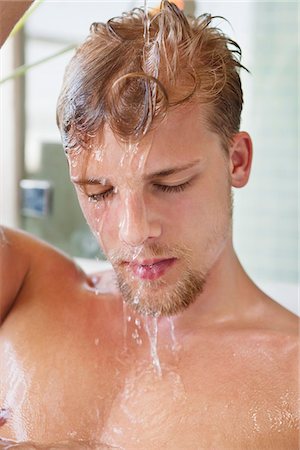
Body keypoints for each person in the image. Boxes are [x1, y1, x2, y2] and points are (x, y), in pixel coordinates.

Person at [0, 2, 298, 448]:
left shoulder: (290, 386)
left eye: (170, 183)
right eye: (99, 192)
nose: (133, 231)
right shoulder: (25, 284)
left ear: (236, 161)